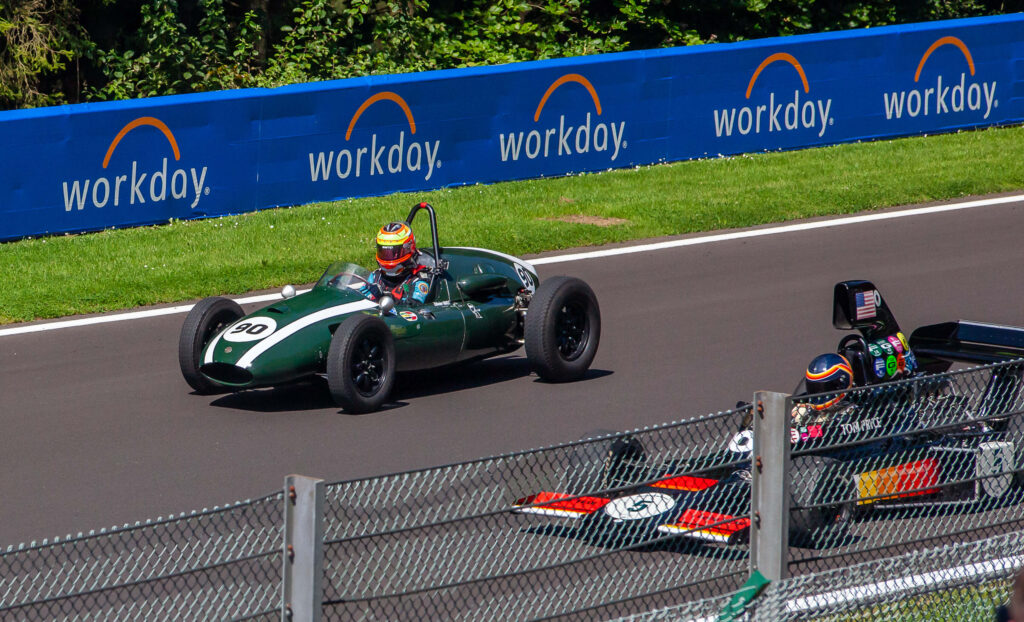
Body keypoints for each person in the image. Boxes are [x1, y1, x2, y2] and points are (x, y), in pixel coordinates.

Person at [359, 221, 433, 305]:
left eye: (393, 253)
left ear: (409, 248)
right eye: (384, 252)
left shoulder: (418, 280)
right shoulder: (376, 277)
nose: (388, 257)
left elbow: (413, 309)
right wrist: (367, 296)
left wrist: (382, 298)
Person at [791, 353, 856, 428]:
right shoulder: (802, 409)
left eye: (823, 388)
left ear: (840, 384)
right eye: (813, 388)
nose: (818, 393)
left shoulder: (852, 412)